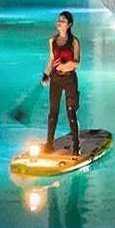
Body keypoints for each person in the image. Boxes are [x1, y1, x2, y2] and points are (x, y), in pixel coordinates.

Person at [40, 10, 81, 155]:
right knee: (53, 112)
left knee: (71, 112)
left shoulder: (74, 41)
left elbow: (76, 62)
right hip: (56, 78)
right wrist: (45, 74)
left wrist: (65, 64)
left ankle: (76, 146)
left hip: (69, 78)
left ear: (69, 24)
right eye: (59, 19)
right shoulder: (52, 41)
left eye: (63, 20)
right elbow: (51, 60)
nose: (59, 22)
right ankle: (49, 143)